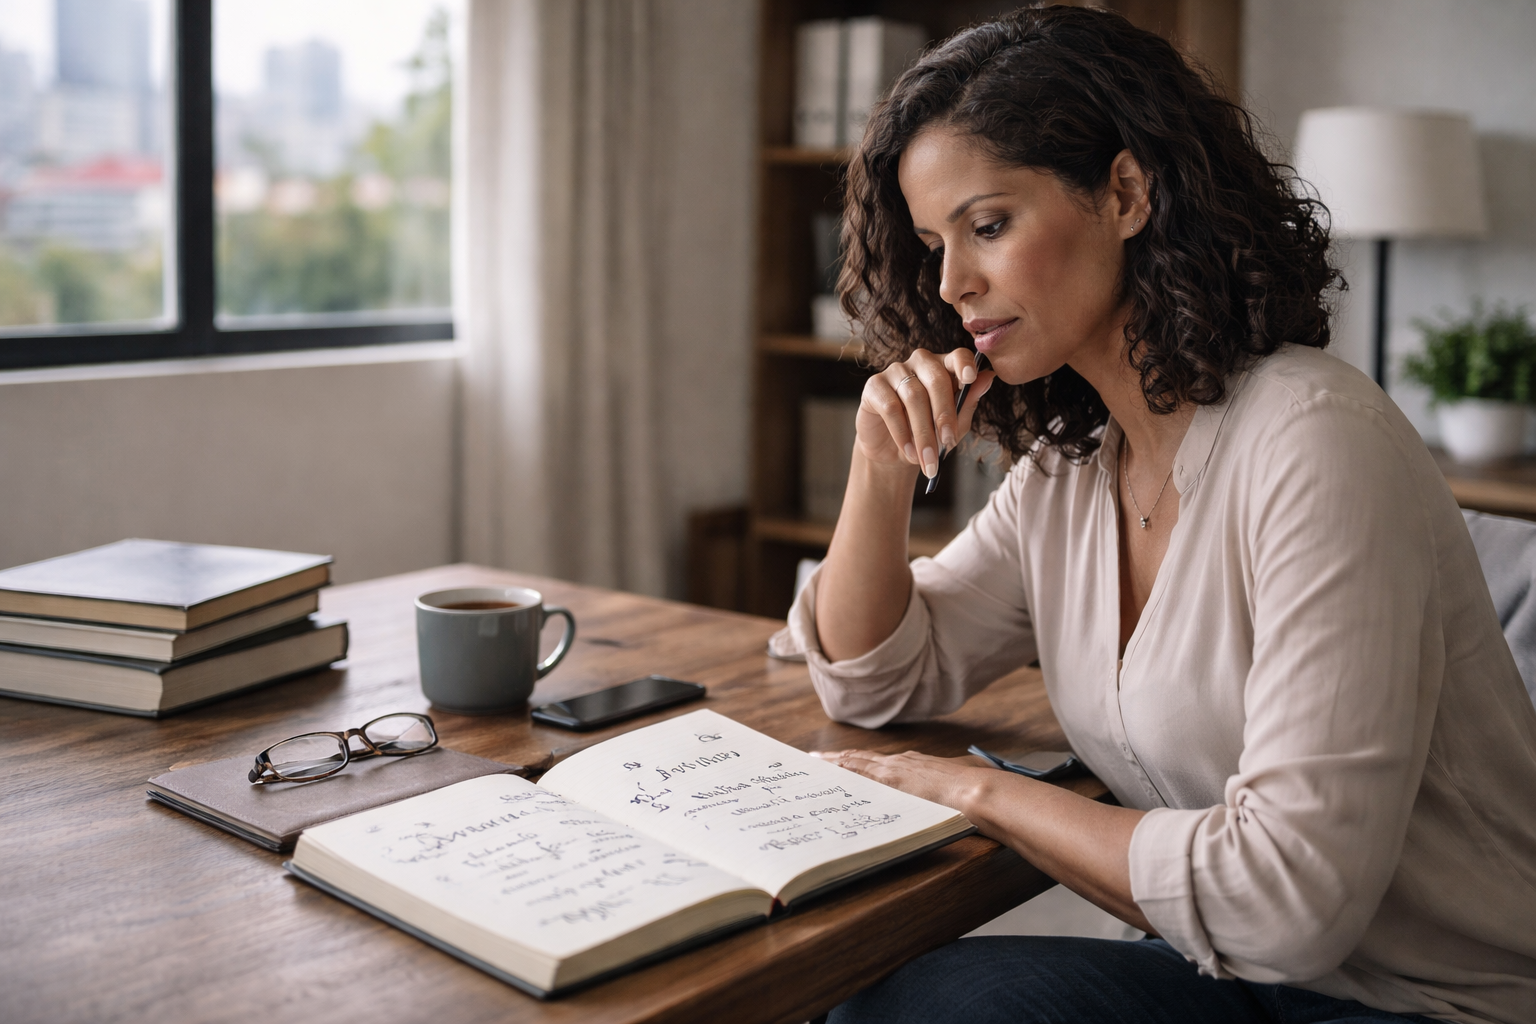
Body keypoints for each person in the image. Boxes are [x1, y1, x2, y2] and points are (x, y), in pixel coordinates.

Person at [768, 7, 1536, 1024]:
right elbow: (876, 674)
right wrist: (878, 466)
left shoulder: (1317, 442)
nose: (952, 284)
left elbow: (1286, 900)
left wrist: (983, 793)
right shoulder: (1074, 459)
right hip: (1245, 976)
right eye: (932, 243)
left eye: (988, 225)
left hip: (1441, 1002)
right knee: (885, 1006)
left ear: (1126, 193)